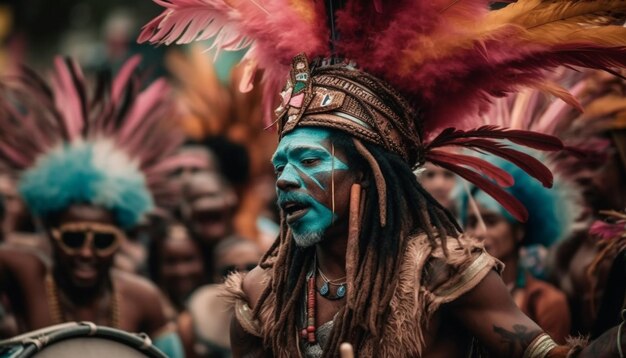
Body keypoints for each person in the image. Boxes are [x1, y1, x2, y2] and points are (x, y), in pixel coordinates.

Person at [141, 0, 626, 356]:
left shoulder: (442, 271)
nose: (286, 178)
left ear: (370, 174)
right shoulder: (262, 291)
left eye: (309, 161)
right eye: (281, 164)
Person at [0, 56, 185, 356]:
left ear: (120, 240)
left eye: (103, 240)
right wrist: (18, 213)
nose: (86, 253)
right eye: (73, 238)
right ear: (50, 232)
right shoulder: (25, 273)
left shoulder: (143, 298)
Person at [461, 154, 577, 343]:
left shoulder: (546, 302)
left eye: (491, 221)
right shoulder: (457, 299)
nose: (479, 232)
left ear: (519, 231)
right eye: (472, 222)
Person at [178, 237, 262, 358]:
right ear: (216, 277)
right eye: (229, 271)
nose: (242, 276)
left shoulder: (282, 314)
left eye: (251, 268)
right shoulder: (191, 320)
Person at [148, 218, 208, 312]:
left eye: (189, 260)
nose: (181, 271)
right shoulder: (149, 309)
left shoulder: (222, 307)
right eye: (170, 262)